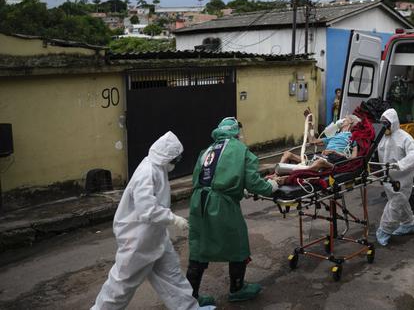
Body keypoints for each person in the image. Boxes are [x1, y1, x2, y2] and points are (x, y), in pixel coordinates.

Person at [92, 131, 211, 310]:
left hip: (155, 236)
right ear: (167, 156)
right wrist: (173, 219)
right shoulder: (147, 172)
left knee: (172, 277)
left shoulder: (158, 167)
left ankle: (189, 308)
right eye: (175, 159)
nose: (176, 163)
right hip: (137, 239)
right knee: (121, 285)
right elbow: (146, 209)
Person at [187, 117, 278, 305]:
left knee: (199, 246)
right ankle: (237, 289)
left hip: (198, 201)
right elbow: (254, 182)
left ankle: (190, 296)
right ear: (236, 132)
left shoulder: (207, 151)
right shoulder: (239, 149)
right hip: (221, 204)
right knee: (238, 242)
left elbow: (203, 178)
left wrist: (237, 188)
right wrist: (272, 186)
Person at [375, 109, 414, 246]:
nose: (385, 128)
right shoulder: (382, 137)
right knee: (399, 201)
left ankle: (384, 229)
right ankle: (409, 223)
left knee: (395, 203)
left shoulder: (404, 137)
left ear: (393, 123)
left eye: (387, 124)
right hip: (388, 176)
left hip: (403, 177)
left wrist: (400, 165)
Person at [279, 114, 359, 172]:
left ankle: (298, 172)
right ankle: (277, 172)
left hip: (334, 161)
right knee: (287, 154)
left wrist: (335, 152)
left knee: (320, 162)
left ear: (350, 123)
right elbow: (312, 141)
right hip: (322, 157)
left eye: (345, 119)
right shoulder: (333, 136)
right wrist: (310, 124)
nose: (341, 120)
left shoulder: (352, 139)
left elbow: (353, 159)